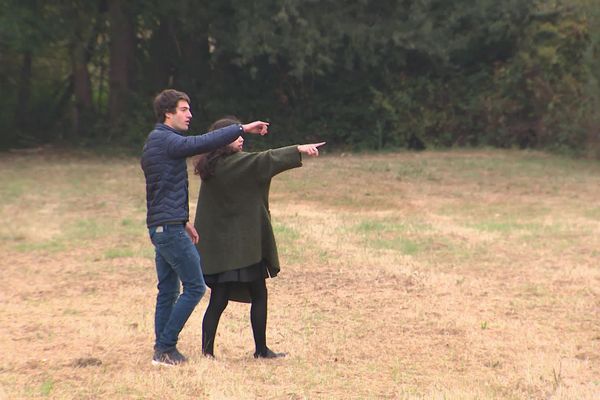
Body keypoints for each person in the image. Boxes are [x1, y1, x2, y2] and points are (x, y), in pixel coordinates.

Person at [141, 90, 270, 366]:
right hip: (168, 229)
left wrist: (182, 220)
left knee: (167, 290)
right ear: (168, 113)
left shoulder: (155, 141)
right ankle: (165, 347)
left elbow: (159, 189)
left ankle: (161, 349)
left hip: (163, 226)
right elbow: (204, 141)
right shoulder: (167, 140)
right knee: (195, 287)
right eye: (184, 110)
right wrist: (243, 128)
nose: (190, 115)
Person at [192, 116, 325, 359]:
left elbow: (259, 162)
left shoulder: (212, 166)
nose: (241, 138)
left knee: (220, 300)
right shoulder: (233, 164)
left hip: (228, 248)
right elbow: (266, 159)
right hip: (244, 246)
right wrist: (298, 149)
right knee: (254, 295)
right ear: (222, 141)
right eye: (235, 135)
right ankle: (258, 350)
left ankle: (210, 353)